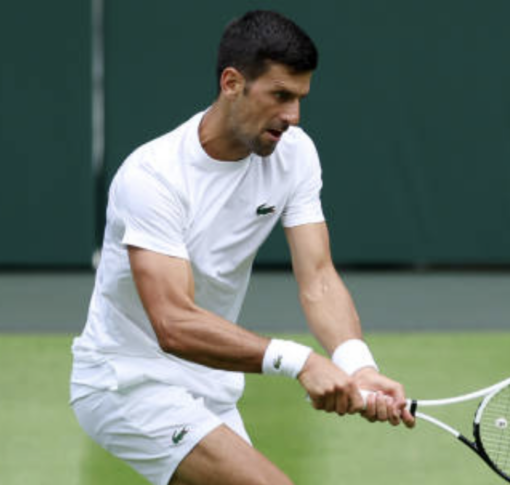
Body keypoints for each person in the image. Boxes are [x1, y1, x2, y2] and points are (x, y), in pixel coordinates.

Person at [70, 10, 415, 485]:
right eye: (280, 96)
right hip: (128, 381)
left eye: (299, 99)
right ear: (232, 82)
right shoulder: (152, 177)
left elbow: (317, 279)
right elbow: (173, 323)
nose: (292, 117)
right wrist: (299, 361)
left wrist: (357, 365)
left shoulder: (295, 155)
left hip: (210, 383)